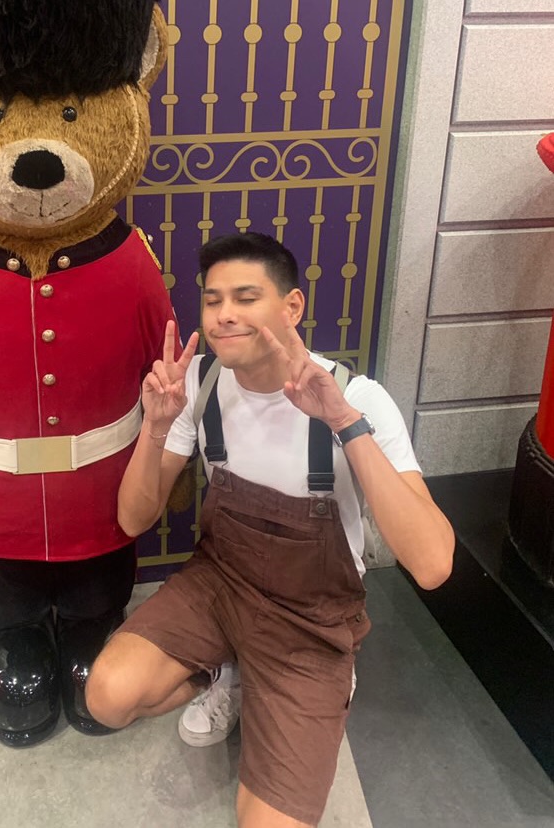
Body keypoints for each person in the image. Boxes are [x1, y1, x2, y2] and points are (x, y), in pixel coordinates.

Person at [85, 232, 455, 828]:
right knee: (106, 698)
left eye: (245, 297)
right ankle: (230, 669)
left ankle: (311, 681)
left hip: (312, 617)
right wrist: (154, 428)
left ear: (292, 307)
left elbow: (434, 565)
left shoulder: (358, 397)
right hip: (220, 584)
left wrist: (344, 423)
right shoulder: (199, 383)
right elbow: (132, 518)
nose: (224, 314)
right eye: (212, 300)